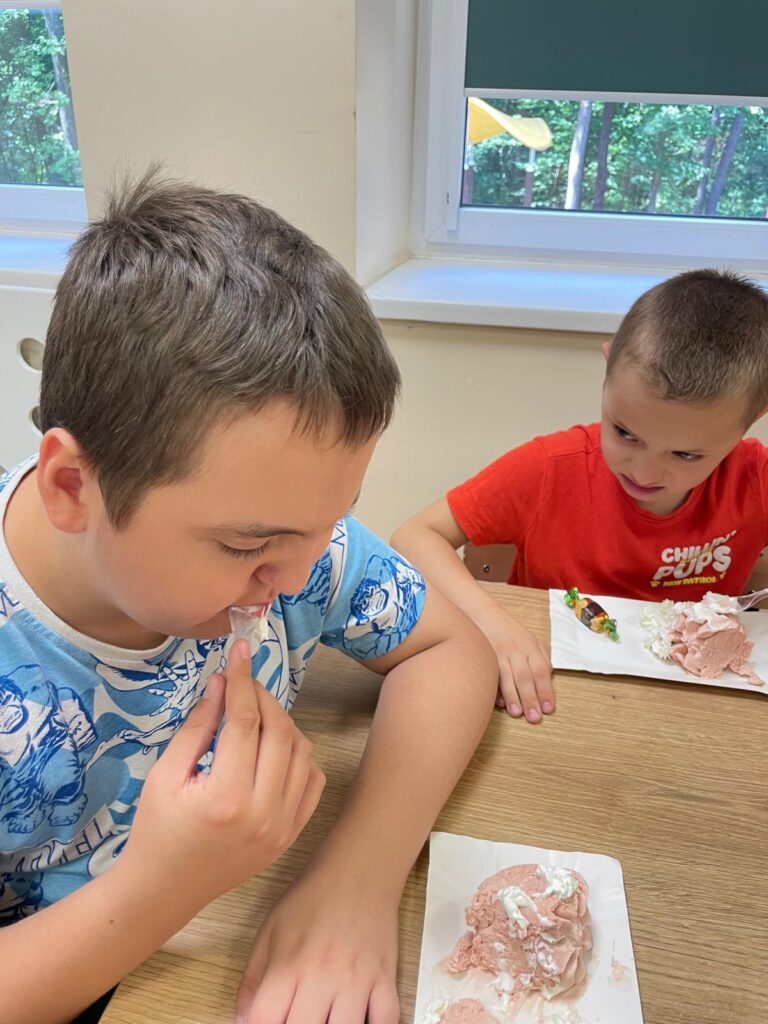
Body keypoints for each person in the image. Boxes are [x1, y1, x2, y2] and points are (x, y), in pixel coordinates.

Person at [0, 172, 497, 1024]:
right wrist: (164, 886)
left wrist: (356, 881)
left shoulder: (290, 540)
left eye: (332, 520)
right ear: (73, 487)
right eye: (245, 547)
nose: (298, 579)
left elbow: (453, 651)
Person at [392, 270, 768, 724]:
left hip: (688, 711)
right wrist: (491, 621)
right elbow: (414, 536)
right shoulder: (550, 468)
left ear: (752, 420)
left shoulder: (755, 478)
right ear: (607, 372)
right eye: (624, 432)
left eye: (686, 454)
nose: (644, 472)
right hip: (553, 692)